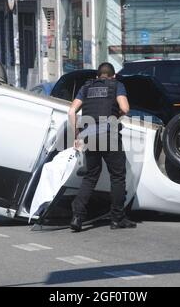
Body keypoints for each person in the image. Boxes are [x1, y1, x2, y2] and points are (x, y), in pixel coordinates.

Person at [68, 62, 137, 232]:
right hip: (109, 133)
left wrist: (76, 135)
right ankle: (117, 219)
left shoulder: (86, 87)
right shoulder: (117, 85)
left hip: (89, 135)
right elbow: (125, 108)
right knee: (118, 176)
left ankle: (77, 216)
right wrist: (116, 116)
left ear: (98, 76)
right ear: (113, 76)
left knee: (91, 175)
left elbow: (71, 112)